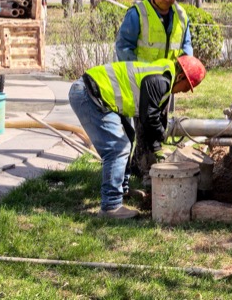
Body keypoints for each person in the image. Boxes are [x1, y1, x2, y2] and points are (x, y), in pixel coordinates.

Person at [68, 54, 207, 219]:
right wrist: (160, 141)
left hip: (100, 94)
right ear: (181, 76)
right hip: (90, 93)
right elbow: (149, 117)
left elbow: (153, 116)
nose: (183, 91)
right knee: (118, 148)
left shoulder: (165, 75)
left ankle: (122, 190)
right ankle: (110, 206)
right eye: (186, 87)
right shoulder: (160, 80)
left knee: (128, 136)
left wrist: (157, 145)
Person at [116, 0, 193, 62]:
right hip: (142, 76)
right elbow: (123, 49)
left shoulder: (181, 16)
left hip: (171, 76)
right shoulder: (137, 14)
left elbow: (187, 46)